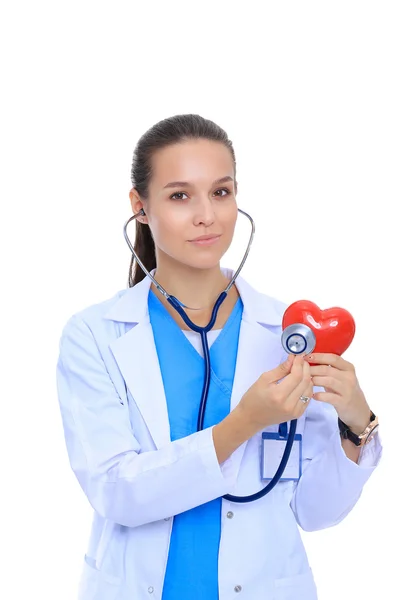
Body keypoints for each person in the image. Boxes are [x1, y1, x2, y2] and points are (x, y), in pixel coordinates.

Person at [56, 114, 382, 600]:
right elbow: (115, 490)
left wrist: (355, 422)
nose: (207, 214)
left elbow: (317, 513)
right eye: (180, 195)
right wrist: (246, 422)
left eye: (222, 192)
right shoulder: (95, 335)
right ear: (140, 207)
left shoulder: (286, 332)